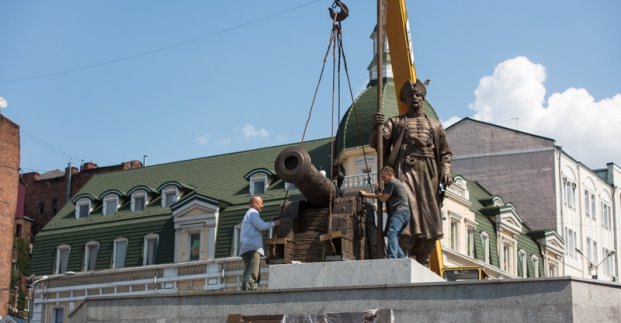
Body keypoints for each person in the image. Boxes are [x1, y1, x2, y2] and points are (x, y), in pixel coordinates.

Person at [370, 79, 453, 265]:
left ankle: (423, 259)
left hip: (429, 174)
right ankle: (403, 253)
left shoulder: (435, 125)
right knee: (404, 207)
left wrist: (446, 170)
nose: (415, 98)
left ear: (423, 98)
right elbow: (379, 144)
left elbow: (446, 153)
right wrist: (376, 127)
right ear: (406, 100)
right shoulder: (396, 122)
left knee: (428, 216)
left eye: (418, 95)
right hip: (404, 170)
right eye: (411, 95)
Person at [360, 166, 410, 258]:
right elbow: (388, 202)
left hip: (400, 213)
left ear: (390, 175)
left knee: (392, 233)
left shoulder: (392, 183)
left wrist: (368, 194)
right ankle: (402, 259)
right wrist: (371, 195)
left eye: (384, 177)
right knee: (394, 236)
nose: (383, 180)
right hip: (404, 213)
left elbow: (383, 198)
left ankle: (392, 257)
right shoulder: (397, 183)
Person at [239, 196, 281, 290]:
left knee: (255, 273)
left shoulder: (249, 214)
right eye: (261, 203)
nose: (262, 206)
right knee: (252, 273)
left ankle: (251, 292)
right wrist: (275, 223)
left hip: (249, 248)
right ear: (254, 203)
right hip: (252, 248)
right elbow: (262, 226)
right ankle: (247, 295)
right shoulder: (253, 213)